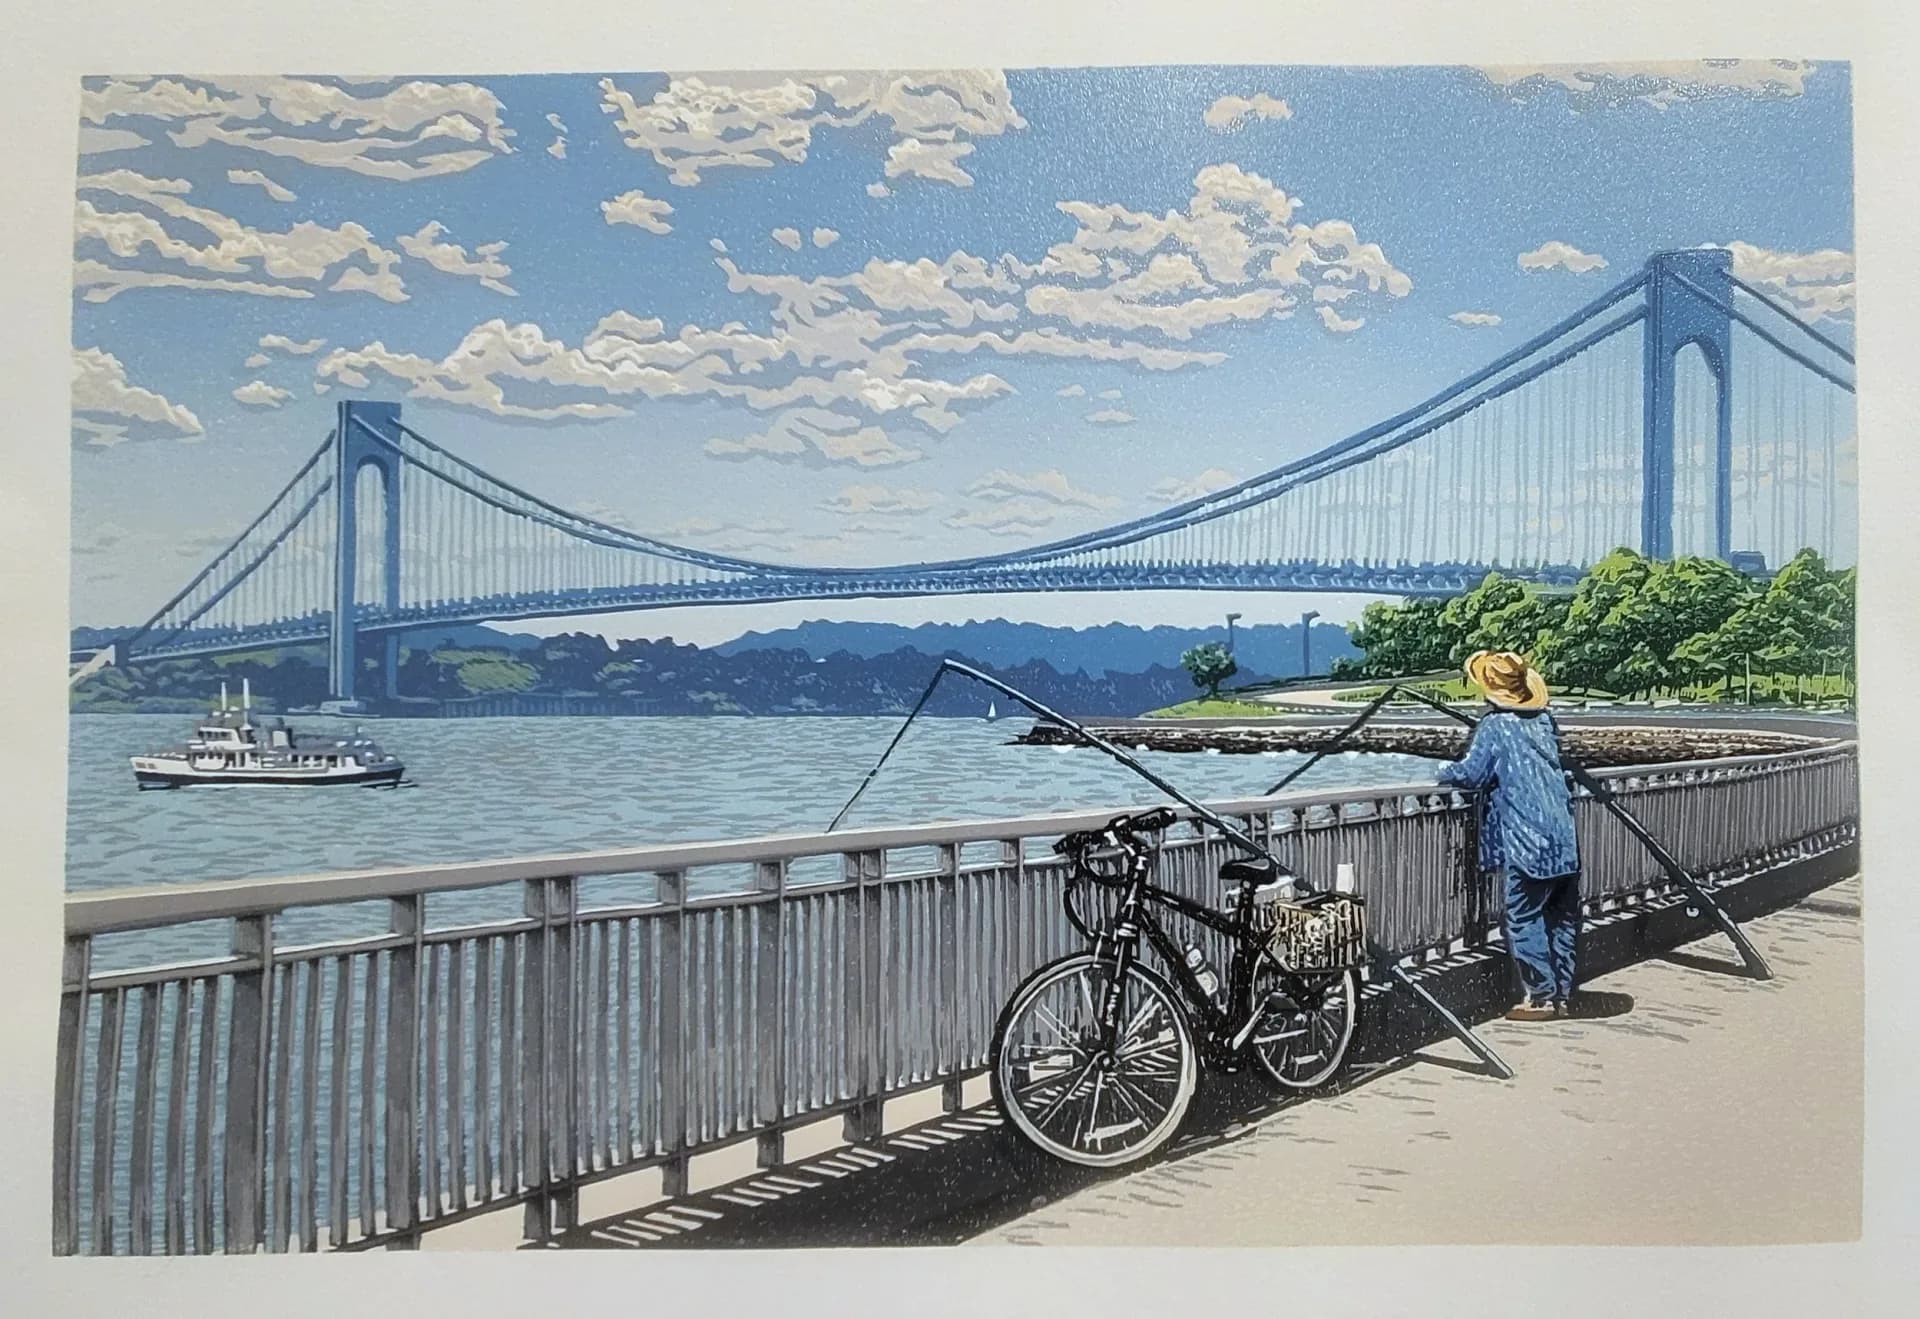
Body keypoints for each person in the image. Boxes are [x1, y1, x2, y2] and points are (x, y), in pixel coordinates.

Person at [1437, 650, 1581, 1021]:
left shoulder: (1496, 726)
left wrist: (1441, 769)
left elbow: (1472, 775)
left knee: (1523, 918)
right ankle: (1563, 995)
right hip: (1562, 838)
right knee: (1560, 918)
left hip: (1526, 841)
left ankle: (1541, 998)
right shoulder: (1545, 721)